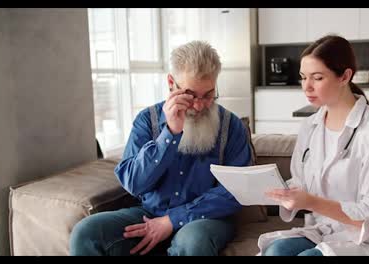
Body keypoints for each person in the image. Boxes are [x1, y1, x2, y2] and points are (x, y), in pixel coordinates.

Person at [69, 40, 253, 256]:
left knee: (192, 239)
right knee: (86, 232)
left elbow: (237, 190)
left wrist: (173, 220)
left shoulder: (231, 127)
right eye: (191, 95)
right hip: (148, 213)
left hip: (206, 219)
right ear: (171, 83)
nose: (200, 105)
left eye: (209, 95)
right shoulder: (147, 120)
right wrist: (170, 135)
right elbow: (134, 183)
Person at [257, 35, 369, 256]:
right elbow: (301, 182)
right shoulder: (310, 127)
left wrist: (312, 202)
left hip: (368, 239)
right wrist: (276, 191)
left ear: (345, 76)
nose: (306, 87)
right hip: (322, 231)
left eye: (317, 78)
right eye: (303, 77)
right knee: (276, 251)